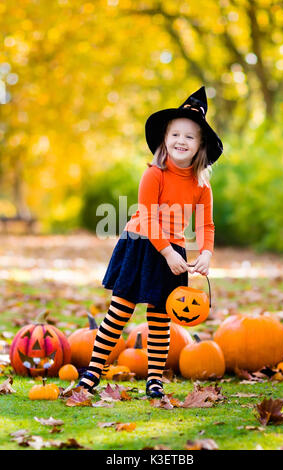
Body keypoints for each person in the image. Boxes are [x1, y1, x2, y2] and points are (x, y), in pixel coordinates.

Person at [78, 86, 223, 398]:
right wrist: (167, 251)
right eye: (175, 135)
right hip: (142, 244)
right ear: (165, 140)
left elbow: (206, 225)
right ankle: (92, 372)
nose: (181, 141)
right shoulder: (154, 175)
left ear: (200, 146)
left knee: (160, 318)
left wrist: (206, 253)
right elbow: (147, 217)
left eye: (189, 137)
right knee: (119, 312)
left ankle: (154, 378)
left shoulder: (201, 187)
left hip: (174, 252)